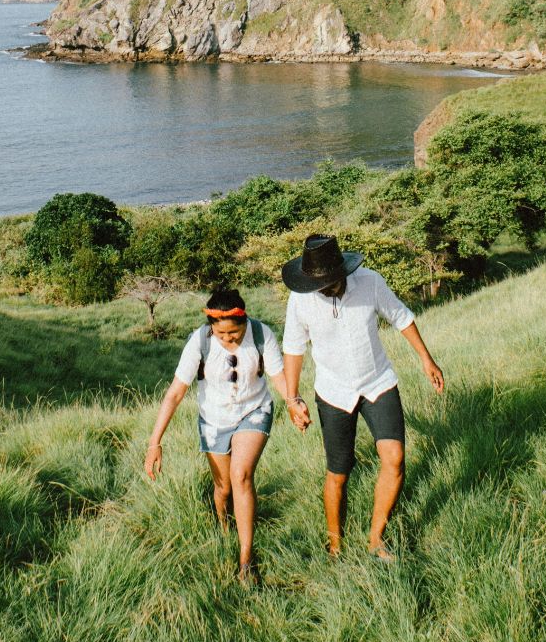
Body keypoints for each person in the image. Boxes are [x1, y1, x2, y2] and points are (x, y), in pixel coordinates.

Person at [279, 234, 444, 561]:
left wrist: (426, 359)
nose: (323, 289)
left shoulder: (369, 282)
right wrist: (292, 397)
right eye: (317, 284)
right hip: (333, 391)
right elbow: (294, 349)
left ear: (342, 272)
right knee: (339, 473)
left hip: (377, 382)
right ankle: (335, 547)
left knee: (394, 458)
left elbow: (401, 317)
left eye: (328, 282)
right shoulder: (300, 299)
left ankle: (376, 538)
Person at [143, 288, 310, 583]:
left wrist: (293, 403)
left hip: (254, 410)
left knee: (241, 475)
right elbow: (175, 393)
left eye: (233, 333)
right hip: (213, 419)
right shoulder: (199, 341)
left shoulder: (261, 334)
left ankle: (246, 560)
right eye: (221, 334)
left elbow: (278, 376)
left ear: (244, 322)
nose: (228, 340)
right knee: (222, 488)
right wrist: (155, 442)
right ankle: (223, 526)